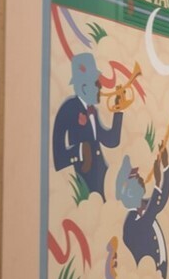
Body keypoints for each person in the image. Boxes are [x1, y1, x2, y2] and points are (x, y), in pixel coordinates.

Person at [51, 52, 122, 199]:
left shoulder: (93, 112)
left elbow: (111, 140)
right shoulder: (67, 109)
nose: (100, 88)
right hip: (82, 183)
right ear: (84, 87)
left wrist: (118, 111)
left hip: (101, 181)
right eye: (96, 83)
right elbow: (58, 156)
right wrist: (80, 152)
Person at [117, 145, 169, 279]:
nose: (141, 179)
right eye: (136, 179)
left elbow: (161, 199)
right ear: (129, 193)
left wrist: (165, 167)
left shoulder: (146, 206)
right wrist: (157, 182)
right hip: (149, 277)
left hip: (160, 272)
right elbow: (148, 218)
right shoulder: (130, 225)